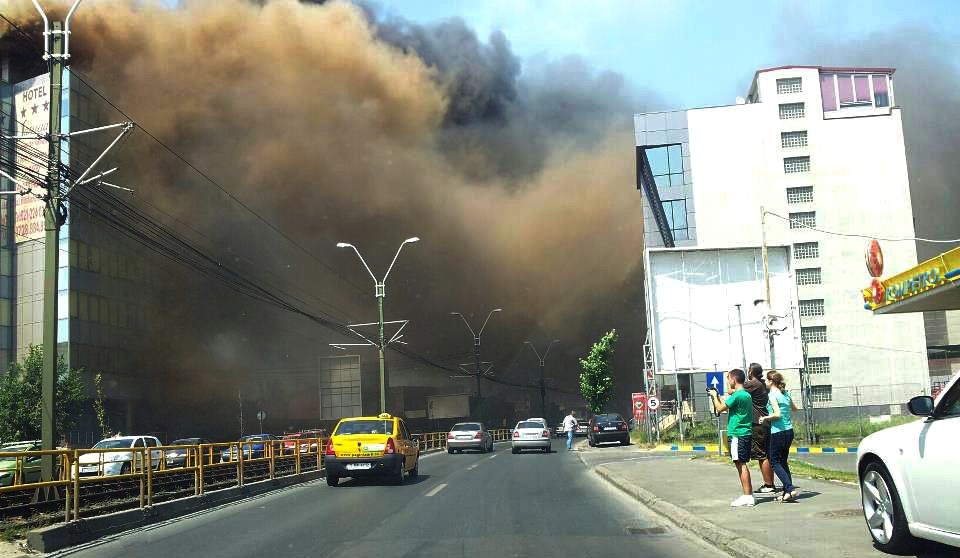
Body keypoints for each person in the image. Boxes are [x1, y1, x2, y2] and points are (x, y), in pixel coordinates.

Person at [708, 368, 755, 507]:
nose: (728, 382)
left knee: (740, 464)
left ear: (734, 380)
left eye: (728, 379)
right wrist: (719, 396)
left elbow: (720, 408)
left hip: (737, 434)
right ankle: (748, 494)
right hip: (744, 432)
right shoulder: (745, 395)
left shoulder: (737, 395)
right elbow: (728, 406)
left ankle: (747, 496)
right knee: (741, 463)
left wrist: (714, 396)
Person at [759, 371, 800, 502]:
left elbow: (777, 414)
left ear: (771, 381)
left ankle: (790, 487)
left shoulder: (772, 394)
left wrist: (765, 417)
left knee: (774, 461)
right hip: (789, 431)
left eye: (766, 380)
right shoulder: (785, 393)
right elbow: (795, 409)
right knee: (783, 461)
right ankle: (787, 492)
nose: (765, 382)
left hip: (778, 432)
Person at [744, 363, 777, 494]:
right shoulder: (762, 383)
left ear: (751, 372)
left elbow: (735, 389)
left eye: (748, 370)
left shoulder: (754, 384)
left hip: (758, 423)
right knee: (766, 455)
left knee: (761, 455)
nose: (747, 372)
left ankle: (769, 484)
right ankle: (770, 483)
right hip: (765, 421)